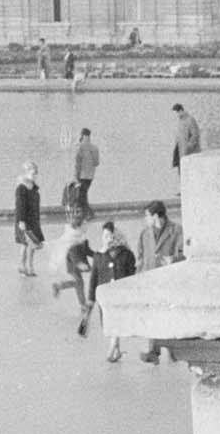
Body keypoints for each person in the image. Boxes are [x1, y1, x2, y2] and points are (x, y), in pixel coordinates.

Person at [132, 201, 186, 364]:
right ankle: (153, 351)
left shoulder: (176, 231)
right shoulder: (145, 234)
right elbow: (140, 259)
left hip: (170, 281)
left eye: (146, 216)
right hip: (150, 281)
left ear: (156, 216)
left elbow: (185, 253)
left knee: (169, 316)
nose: (145, 219)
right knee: (152, 316)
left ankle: (172, 350)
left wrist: (174, 259)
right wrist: (138, 279)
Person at [94, 224, 138, 361]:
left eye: (108, 235)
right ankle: (117, 349)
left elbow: (131, 275)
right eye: (104, 236)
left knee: (116, 321)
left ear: (115, 236)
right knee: (108, 322)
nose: (105, 239)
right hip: (105, 296)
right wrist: (91, 298)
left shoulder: (127, 254)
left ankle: (112, 347)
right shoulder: (99, 255)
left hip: (120, 295)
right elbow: (94, 278)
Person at [13, 163, 45, 276]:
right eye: (33, 173)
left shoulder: (34, 189)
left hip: (34, 221)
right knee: (25, 243)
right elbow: (19, 205)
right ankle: (23, 266)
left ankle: (31, 267)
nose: (35, 175)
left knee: (33, 245)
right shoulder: (21, 188)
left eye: (36, 173)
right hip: (24, 220)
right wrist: (21, 221)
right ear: (26, 172)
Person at [72, 128, 100, 215]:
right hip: (90, 176)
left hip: (81, 175)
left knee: (81, 197)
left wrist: (75, 177)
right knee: (83, 195)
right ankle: (85, 214)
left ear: (81, 135)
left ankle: (89, 213)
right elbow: (96, 163)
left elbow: (77, 163)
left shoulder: (79, 147)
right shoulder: (94, 148)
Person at [170, 103, 202, 175]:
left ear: (181, 110)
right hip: (180, 152)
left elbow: (195, 134)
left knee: (190, 174)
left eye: (177, 112)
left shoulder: (190, 120)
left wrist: (188, 147)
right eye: (176, 113)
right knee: (182, 173)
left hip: (189, 153)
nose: (176, 115)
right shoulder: (180, 121)